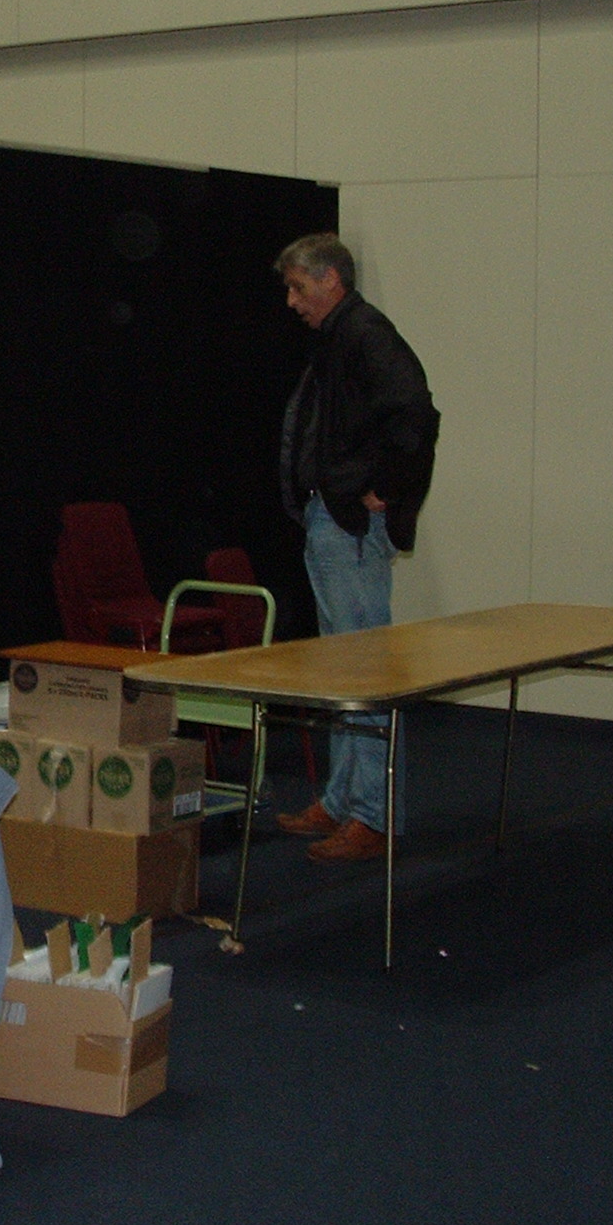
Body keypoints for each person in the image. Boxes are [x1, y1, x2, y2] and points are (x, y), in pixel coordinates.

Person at [271, 234, 439, 862]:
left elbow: (416, 414)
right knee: (342, 667)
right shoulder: (339, 337)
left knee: (365, 668)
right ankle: (343, 799)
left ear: (330, 281)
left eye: (297, 287)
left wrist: (385, 489)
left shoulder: (366, 334)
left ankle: (373, 813)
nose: (291, 301)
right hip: (331, 518)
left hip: (349, 524)